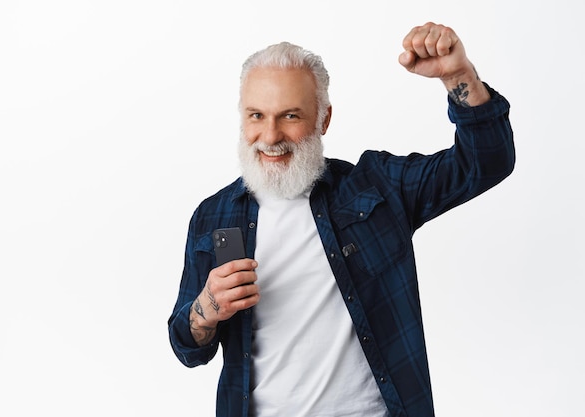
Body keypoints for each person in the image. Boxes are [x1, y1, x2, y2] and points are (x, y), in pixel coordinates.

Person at [168, 22, 515, 417]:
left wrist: (458, 75)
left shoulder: (376, 188)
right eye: (256, 115)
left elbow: (486, 163)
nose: (270, 135)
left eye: (290, 116)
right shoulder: (214, 217)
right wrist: (206, 308)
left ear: (324, 119)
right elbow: (187, 347)